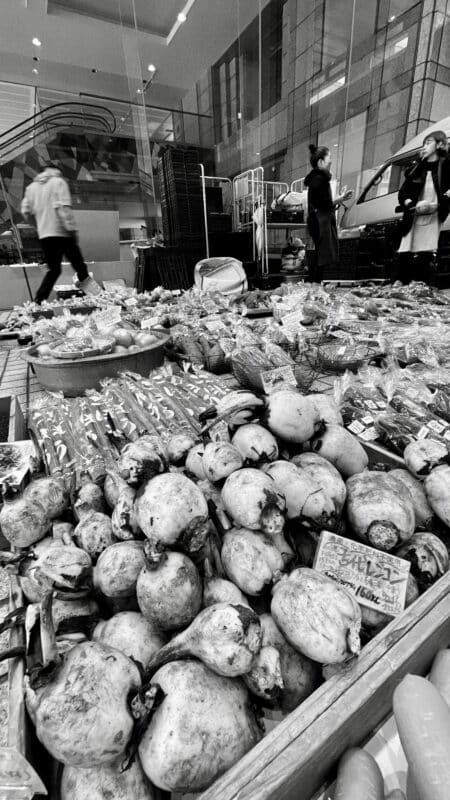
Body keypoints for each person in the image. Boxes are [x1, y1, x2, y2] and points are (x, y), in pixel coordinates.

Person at [21, 163, 100, 303]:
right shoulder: (58, 182)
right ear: (56, 171)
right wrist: (71, 229)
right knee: (80, 267)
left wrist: (39, 226)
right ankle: (99, 298)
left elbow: (25, 211)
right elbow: (63, 208)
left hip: (45, 236)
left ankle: (38, 300)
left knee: (54, 270)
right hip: (62, 232)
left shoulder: (31, 188)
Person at [396, 130, 450, 284]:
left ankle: (421, 291)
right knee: (405, 254)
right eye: (424, 144)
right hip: (413, 217)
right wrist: (411, 204)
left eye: (428, 143)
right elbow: (403, 193)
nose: (425, 147)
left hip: (433, 217)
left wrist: (444, 200)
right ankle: (402, 287)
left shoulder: (446, 166)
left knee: (425, 257)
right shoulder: (417, 167)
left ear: (439, 144)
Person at [305, 144, 353, 282]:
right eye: (329, 158)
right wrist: (340, 199)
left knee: (321, 257)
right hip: (320, 223)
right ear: (321, 162)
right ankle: (315, 286)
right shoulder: (319, 179)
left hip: (318, 221)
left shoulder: (318, 178)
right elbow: (324, 204)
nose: (331, 161)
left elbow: (322, 203)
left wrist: (339, 199)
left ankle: (315, 286)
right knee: (321, 257)